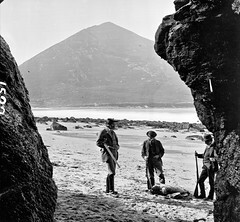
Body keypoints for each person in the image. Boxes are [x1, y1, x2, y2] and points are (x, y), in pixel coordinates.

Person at [96, 118, 120, 195]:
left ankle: (108, 189)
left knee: (112, 172)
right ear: (109, 124)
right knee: (111, 172)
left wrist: (117, 146)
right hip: (108, 154)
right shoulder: (103, 132)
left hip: (114, 153)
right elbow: (98, 143)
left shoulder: (113, 132)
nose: (114, 125)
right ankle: (110, 190)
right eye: (113, 124)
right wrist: (105, 146)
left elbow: (116, 142)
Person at [195, 133, 218, 200]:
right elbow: (204, 155)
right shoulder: (207, 147)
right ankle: (202, 195)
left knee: (211, 183)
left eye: (206, 141)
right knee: (200, 181)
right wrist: (198, 155)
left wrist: (213, 161)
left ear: (210, 140)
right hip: (205, 166)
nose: (205, 143)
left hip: (211, 167)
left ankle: (210, 197)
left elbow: (216, 157)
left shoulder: (214, 147)